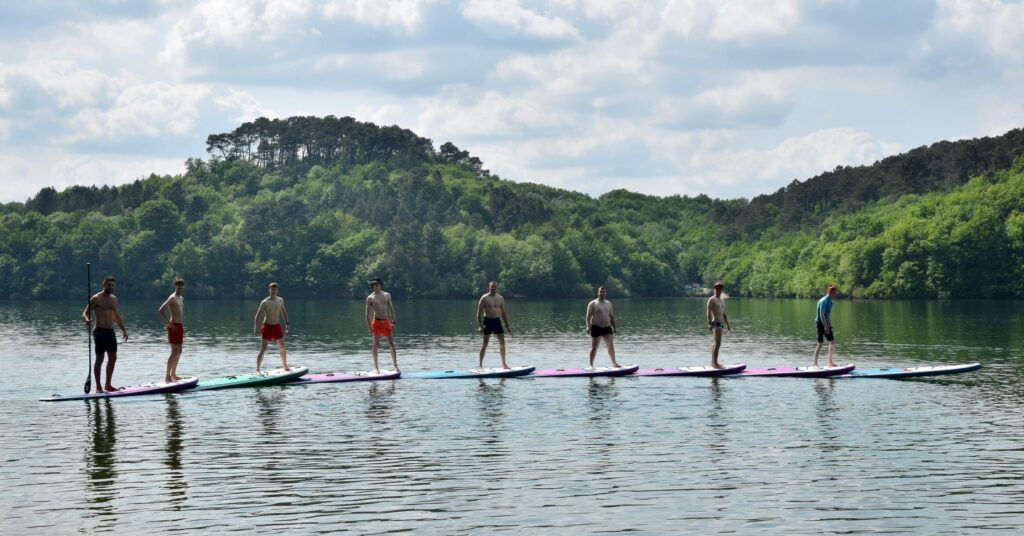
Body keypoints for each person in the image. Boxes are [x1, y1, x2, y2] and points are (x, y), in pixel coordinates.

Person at [81, 276, 128, 392]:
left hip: (110, 331)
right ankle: (98, 387)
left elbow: (116, 316)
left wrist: (124, 330)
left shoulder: (114, 299)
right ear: (104, 285)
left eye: (112, 285)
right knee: (100, 359)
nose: (111, 287)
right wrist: (87, 319)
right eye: (108, 285)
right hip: (99, 331)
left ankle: (108, 385)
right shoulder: (96, 298)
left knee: (113, 357)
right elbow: (85, 313)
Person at [253, 282, 290, 372]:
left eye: (275, 289)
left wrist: (287, 324)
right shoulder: (265, 302)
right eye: (272, 289)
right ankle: (257, 369)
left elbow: (284, 312)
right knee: (263, 349)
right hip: (267, 327)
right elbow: (257, 316)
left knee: (282, 347)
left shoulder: (280, 300)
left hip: (276, 326)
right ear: (269, 290)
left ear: (277, 290)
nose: (273, 291)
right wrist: (255, 328)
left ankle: (285, 366)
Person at [365, 278, 399, 373]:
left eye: (378, 284)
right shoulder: (370, 298)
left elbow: (392, 310)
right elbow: (367, 314)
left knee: (391, 344)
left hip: (386, 322)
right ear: (372, 286)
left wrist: (393, 322)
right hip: (376, 322)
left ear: (381, 285)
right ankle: (376, 368)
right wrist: (369, 327)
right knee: (375, 344)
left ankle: (395, 366)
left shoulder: (387, 295)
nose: (376, 286)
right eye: (374, 285)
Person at [476, 281, 511, 369]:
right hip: (487, 321)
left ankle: (504, 364)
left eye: (495, 286)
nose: (494, 288)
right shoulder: (484, 298)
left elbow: (503, 313)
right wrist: (480, 326)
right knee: (485, 344)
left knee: (502, 342)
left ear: (497, 287)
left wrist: (507, 325)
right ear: (489, 287)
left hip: (496, 321)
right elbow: (479, 313)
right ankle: (480, 365)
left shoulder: (500, 298)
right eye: (492, 286)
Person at [157, 278, 186, 382]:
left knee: (179, 351)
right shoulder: (172, 297)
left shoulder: (181, 298)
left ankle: (173, 374)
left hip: (180, 326)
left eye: (181, 287)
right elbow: (161, 310)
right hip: (173, 327)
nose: (180, 288)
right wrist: (169, 323)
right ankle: (167, 376)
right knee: (174, 352)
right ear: (175, 286)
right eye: (178, 286)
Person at [586, 286, 622, 368]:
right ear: (598, 293)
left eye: (603, 292)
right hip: (596, 327)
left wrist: (614, 327)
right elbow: (588, 317)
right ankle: (591, 365)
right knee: (594, 347)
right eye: (600, 292)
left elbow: (611, 316)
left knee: (611, 346)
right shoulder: (593, 303)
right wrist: (587, 327)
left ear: (605, 293)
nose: (602, 293)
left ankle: (614, 363)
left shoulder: (608, 303)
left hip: (607, 328)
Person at [706, 281, 732, 369]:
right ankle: (715, 364)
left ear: (722, 289)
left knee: (716, 343)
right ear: (715, 289)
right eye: (717, 288)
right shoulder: (712, 299)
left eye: (720, 288)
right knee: (717, 343)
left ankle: (713, 363)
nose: (718, 289)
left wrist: (728, 324)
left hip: (721, 324)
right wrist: (709, 323)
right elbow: (708, 312)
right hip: (715, 323)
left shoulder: (721, 301)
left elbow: (724, 314)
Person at [813, 284, 838, 368]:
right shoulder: (823, 301)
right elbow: (821, 315)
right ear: (830, 292)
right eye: (835, 293)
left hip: (826, 323)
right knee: (820, 343)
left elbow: (828, 315)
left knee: (832, 342)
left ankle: (830, 363)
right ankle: (815, 364)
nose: (836, 294)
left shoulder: (831, 302)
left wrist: (829, 325)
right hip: (819, 323)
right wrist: (825, 326)